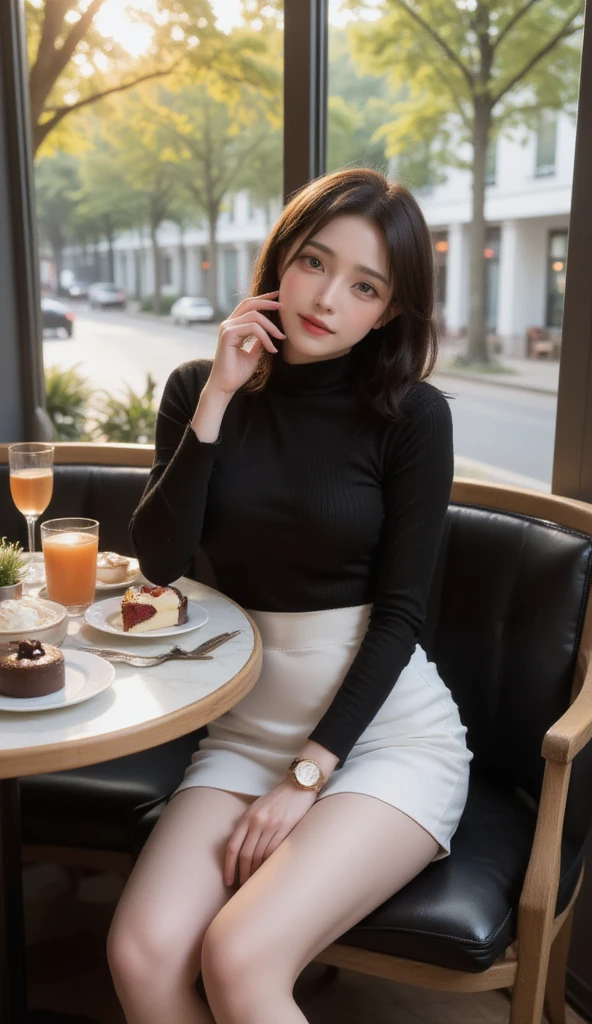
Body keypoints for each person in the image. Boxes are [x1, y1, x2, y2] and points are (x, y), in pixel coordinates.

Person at [107, 167, 473, 1024]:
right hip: (242, 733)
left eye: (365, 285)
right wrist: (221, 400)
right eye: (313, 262)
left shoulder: (412, 416)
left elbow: (402, 615)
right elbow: (159, 561)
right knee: (141, 953)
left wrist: (308, 775)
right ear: (281, 260)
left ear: (388, 311)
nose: (327, 297)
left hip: (383, 742)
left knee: (238, 958)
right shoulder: (201, 387)